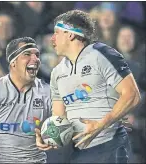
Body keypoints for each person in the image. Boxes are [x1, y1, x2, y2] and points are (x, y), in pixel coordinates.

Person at [35, 10, 141, 163]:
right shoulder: (57, 73)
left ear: (70, 34)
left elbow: (132, 95)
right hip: (80, 151)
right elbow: (59, 119)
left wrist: (101, 125)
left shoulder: (101, 54)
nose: (52, 39)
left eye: (57, 33)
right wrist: (48, 137)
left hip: (110, 144)